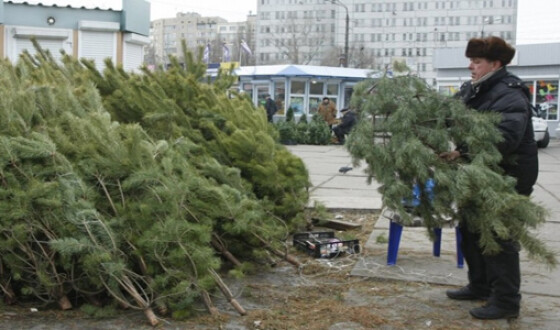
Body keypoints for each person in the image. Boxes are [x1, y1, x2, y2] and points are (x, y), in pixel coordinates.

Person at [439, 36, 538, 320]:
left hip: (508, 177)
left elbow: (504, 138)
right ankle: (480, 285)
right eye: (470, 61)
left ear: (495, 64)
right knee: (470, 229)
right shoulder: (475, 89)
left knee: (499, 237)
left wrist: (462, 151)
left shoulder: (509, 93)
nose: (470, 66)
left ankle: (506, 301)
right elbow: (446, 115)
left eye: (476, 62)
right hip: (477, 172)